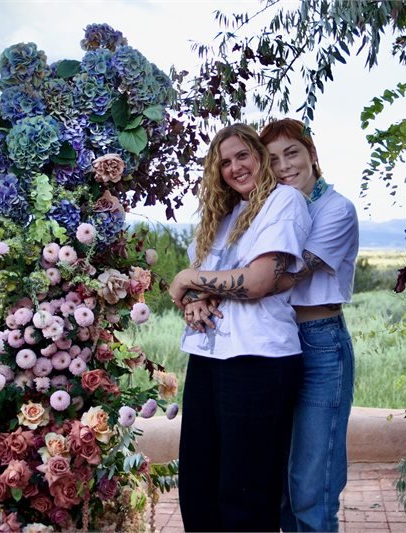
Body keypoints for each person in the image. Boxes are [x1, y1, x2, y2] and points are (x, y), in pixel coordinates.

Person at [183, 118, 359, 532]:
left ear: (311, 154)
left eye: (291, 154)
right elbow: (235, 272)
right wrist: (202, 292)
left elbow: (277, 280)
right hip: (276, 339)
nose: (283, 166)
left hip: (318, 342)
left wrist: (199, 287)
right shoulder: (257, 208)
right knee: (271, 477)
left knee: (310, 484)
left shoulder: (334, 209)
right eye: (273, 157)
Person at [168, 123, 312, 532]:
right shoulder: (225, 216)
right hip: (209, 356)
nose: (235, 167)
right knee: (197, 484)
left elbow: (259, 280)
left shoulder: (284, 202)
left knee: (245, 493)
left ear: (260, 156)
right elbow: (208, 281)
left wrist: (188, 280)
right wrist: (193, 300)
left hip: (259, 361)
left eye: (242, 155)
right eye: (225, 162)